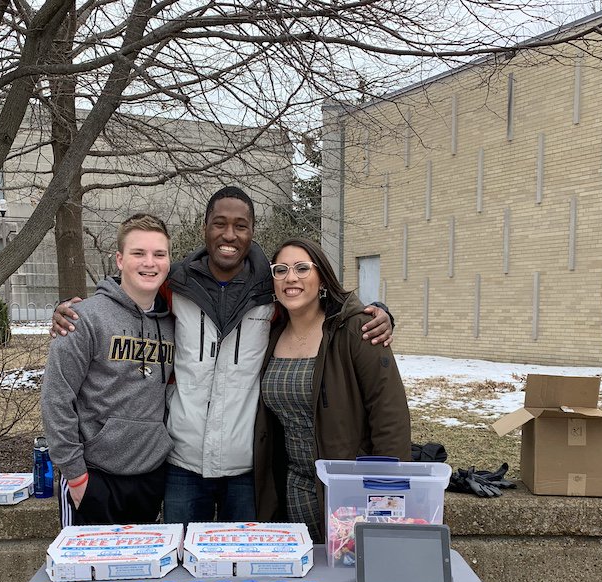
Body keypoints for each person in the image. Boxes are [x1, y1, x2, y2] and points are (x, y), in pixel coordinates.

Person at [52, 186, 394, 524]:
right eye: (219, 223)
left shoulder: (272, 291)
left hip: (246, 468)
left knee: (242, 571)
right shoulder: (176, 286)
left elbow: (321, 304)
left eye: (240, 226)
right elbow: (133, 292)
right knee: (181, 570)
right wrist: (71, 310)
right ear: (205, 228)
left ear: (251, 232)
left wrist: (375, 311)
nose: (229, 234)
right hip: (180, 464)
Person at [253, 237, 411, 542]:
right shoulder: (270, 335)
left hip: (349, 492)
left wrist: (386, 499)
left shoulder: (356, 330)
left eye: (302, 268)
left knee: (350, 579)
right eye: (281, 269)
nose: (291, 278)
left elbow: (389, 415)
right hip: (291, 492)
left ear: (322, 277)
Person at [40, 213, 175, 526]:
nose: (149, 263)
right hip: (93, 477)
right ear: (119, 259)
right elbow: (56, 400)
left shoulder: (172, 322)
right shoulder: (83, 319)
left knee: (142, 574)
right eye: (138, 253)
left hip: (150, 476)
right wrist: (76, 477)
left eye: (159, 254)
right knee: (85, 574)